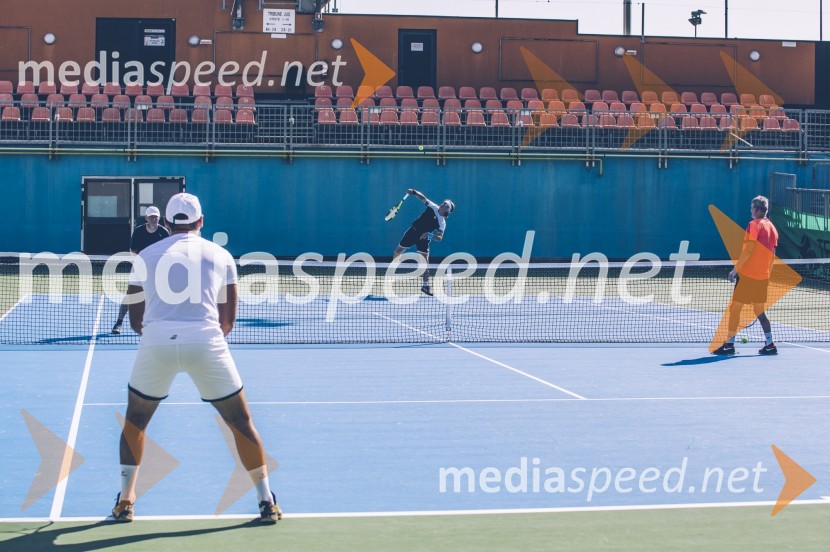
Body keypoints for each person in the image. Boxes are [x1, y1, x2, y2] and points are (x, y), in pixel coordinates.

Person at [112, 193, 281, 524]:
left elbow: (135, 320)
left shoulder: (144, 256)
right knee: (241, 422)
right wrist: (199, 341)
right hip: (206, 343)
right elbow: (227, 321)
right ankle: (266, 501)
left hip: (156, 343)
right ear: (201, 221)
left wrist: (163, 339)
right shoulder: (221, 256)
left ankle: (125, 500)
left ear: (168, 222)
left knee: (136, 421)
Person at [713, 195, 780, 356]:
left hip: (748, 276)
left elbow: (749, 250)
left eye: (752, 208)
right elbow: (772, 255)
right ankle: (770, 344)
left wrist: (735, 270)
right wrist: (767, 274)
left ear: (757, 209)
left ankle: (729, 346)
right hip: (763, 276)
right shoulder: (772, 228)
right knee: (759, 311)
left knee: (735, 310)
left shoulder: (754, 225)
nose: (751, 211)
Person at [111, 206, 170, 334]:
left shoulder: (164, 232)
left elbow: (168, 252)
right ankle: (119, 323)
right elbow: (133, 251)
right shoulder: (138, 232)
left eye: (156, 217)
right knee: (130, 296)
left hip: (157, 270)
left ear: (159, 218)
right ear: (146, 218)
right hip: (139, 268)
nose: (154, 219)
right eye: (151, 217)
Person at [392, 189, 455, 296]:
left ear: (447, 210)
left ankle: (425, 286)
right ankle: (392, 271)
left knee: (425, 263)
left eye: (445, 205)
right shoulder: (433, 206)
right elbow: (423, 198)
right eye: (443, 202)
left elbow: (439, 238)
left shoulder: (442, 223)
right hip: (413, 232)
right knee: (397, 253)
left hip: (424, 239)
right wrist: (414, 192)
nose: (442, 204)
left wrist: (429, 235)